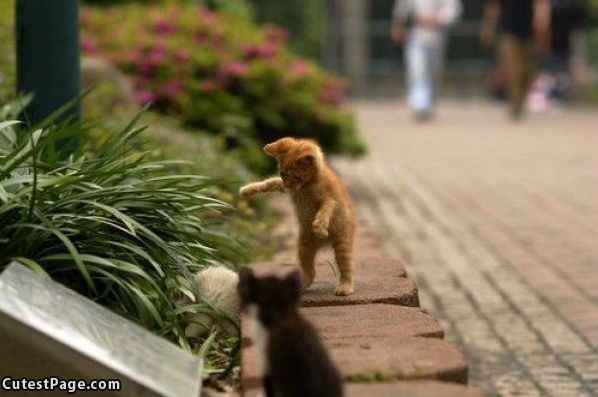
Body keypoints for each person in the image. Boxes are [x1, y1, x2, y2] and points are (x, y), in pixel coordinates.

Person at [391, 0, 462, 121]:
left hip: (437, 39)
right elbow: (402, 8)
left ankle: (429, 104)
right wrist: (398, 26)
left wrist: (437, 19)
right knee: (417, 72)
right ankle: (420, 106)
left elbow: (454, 10)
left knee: (433, 75)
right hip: (416, 37)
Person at [481, 0, 551, 119]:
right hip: (507, 32)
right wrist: (488, 28)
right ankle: (515, 104)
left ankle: (520, 100)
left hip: (530, 34)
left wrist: (543, 28)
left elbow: (542, 7)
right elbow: (493, 6)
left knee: (529, 71)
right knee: (513, 70)